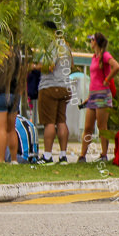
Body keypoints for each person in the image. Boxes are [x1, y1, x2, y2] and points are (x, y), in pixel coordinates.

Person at [78, 33, 119, 163]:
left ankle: (103, 154)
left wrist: (107, 79)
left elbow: (117, 66)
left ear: (96, 42)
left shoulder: (105, 56)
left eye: (91, 40)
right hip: (93, 95)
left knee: (102, 126)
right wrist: (88, 97)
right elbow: (94, 79)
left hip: (103, 94)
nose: (90, 43)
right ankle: (82, 155)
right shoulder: (94, 57)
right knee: (88, 127)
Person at [37, 22, 73, 164]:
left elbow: (49, 66)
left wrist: (35, 66)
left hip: (50, 87)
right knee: (62, 121)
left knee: (49, 123)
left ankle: (47, 156)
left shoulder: (53, 46)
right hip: (64, 87)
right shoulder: (67, 47)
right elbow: (71, 64)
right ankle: (63, 155)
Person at [0, 71, 20, 164]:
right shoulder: (16, 56)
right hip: (14, 93)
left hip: (0, 93)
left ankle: (1, 159)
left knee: (1, 129)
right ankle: (14, 159)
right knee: (11, 129)